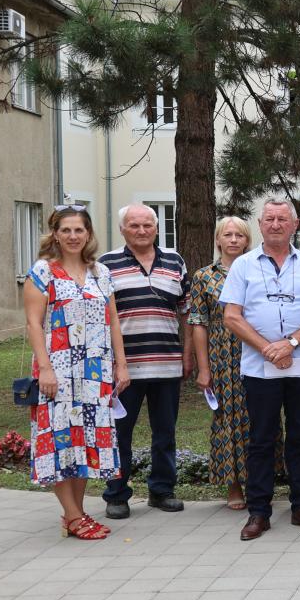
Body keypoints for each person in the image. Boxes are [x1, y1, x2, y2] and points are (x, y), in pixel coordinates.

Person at [221, 199, 300, 540]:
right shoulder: (243, 265)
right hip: (260, 368)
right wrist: (268, 348)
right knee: (261, 439)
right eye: (269, 218)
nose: (275, 224)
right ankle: (259, 511)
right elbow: (232, 316)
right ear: (260, 224)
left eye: (282, 219)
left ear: (294, 225)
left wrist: (290, 344)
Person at [23, 205, 130, 540]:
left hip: (95, 372)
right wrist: (45, 369)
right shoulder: (43, 271)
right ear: (55, 234)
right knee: (59, 439)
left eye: (79, 230)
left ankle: (77, 515)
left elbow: (113, 321)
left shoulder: (101, 272)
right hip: (57, 371)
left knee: (84, 440)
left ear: (88, 234)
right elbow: (33, 324)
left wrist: (121, 364)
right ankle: (73, 515)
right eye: (66, 230)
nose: (73, 236)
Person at [97, 204, 189, 520]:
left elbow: (187, 312)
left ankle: (162, 490)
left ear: (156, 228)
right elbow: (101, 317)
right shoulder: (106, 264)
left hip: (167, 363)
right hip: (124, 369)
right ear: (122, 229)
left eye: (147, 225)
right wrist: (111, 363)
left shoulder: (175, 261)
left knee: (165, 432)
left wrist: (187, 355)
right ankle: (116, 494)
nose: (141, 230)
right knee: (119, 433)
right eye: (134, 225)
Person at [188, 216, 253, 510]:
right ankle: (233, 485)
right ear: (218, 240)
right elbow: (198, 323)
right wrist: (204, 368)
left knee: (259, 417)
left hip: (256, 352)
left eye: (240, 235)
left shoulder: (257, 271)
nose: (234, 240)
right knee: (227, 419)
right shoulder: (204, 276)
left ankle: (259, 480)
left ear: (247, 240)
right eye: (228, 234)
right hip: (222, 356)